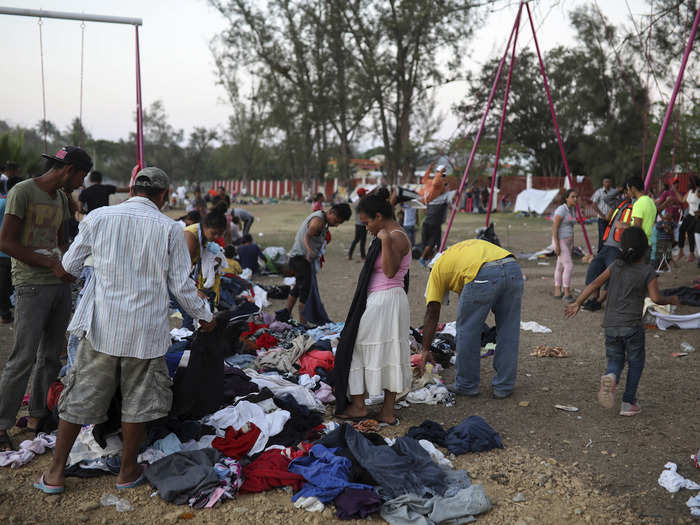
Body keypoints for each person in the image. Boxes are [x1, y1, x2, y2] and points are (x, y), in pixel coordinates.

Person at [35, 167, 214, 494]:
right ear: (163, 195)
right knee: (139, 401)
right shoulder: (171, 229)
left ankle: (55, 473)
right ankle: (127, 471)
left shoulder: (99, 217)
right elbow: (181, 287)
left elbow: (71, 268)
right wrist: (205, 316)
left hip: (102, 327)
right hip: (145, 332)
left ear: (132, 189)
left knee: (81, 396)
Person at [0, 146, 92, 451]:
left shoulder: (61, 198)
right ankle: (2, 423)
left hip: (59, 284)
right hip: (30, 284)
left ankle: (37, 416)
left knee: (52, 356)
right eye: (81, 177)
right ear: (71, 170)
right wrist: (51, 264)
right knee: (22, 357)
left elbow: (61, 241)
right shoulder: (23, 192)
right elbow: (6, 242)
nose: (81, 184)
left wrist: (67, 264)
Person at [565, 227, 679, 416]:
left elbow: (595, 283)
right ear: (645, 249)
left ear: (622, 248)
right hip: (632, 326)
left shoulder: (616, 265)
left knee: (615, 359)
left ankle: (611, 376)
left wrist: (577, 302)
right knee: (636, 362)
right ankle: (628, 403)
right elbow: (656, 298)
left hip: (610, 325)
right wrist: (672, 300)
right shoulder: (647, 271)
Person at [337, 192, 411, 425]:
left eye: (367, 222)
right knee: (389, 351)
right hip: (386, 299)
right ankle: (386, 411)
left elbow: (389, 271)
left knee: (356, 346)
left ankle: (360, 406)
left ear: (379, 217)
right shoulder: (390, 232)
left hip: (386, 299)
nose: (366, 228)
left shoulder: (395, 237)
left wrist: (385, 241)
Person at [421, 239, 522, 398]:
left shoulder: (437, 270)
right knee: (509, 330)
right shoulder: (458, 253)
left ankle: (466, 384)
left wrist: (425, 348)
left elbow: (432, 311)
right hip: (512, 267)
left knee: (467, 331)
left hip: (482, 272)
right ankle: (504, 386)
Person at [284, 203, 352, 323]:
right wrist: (309, 251)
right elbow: (306, 237)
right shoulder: (318, 222)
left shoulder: (322, 219)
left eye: (339, 223)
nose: (336, 225)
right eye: (336, 221)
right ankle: (302, 324)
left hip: (299, 258)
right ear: (331, 212)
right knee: (305, 293)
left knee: (298, 288)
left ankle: (286, 314)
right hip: (301, 259)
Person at [581, 185, 634, 311]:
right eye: (625, 192)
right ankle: (595, 298)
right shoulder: (620, 204)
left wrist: (624, 226)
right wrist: (619, 189)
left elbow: (636, 225)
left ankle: (599, 302)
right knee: (593, 271)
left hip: (618, 248)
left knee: (612, 276)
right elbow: (607, 198)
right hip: (606, 246)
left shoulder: (636, 206)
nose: (626, 194)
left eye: (628, 191)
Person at [183, 207, 228, 324]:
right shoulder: (191, 237)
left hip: (182, 278)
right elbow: (180, 270)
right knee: (191, 313)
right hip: (169, 276)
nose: (216, 237)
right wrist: (194, 291)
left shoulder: (203, 237)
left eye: (220, 234)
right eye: (214, 233)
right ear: (205, 226)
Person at [0, 176, 23, 323]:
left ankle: (5, 312)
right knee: (13, 285)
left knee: (3, 286)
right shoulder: (26, 204)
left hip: (3, 253)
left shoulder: (2, 202)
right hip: (17, 252)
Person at [419, 168, 452, 266]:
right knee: (431, 244)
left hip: (427, 221)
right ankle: (423, 258)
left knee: (431, 243)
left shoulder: (429, 195)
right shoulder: (444, 196)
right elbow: (452, 198)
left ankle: (429, 259)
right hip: (435, 223)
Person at [552, 189, 578, 302]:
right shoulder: (561, 210)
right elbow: (555, 228)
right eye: (573, 197)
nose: (575, 199)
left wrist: (572, 244)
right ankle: (566, 293)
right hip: (560, 240)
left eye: (576, 197)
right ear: (566, 198)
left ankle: (557, 290)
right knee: (569, 265)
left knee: (560, 266)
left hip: (568, 241)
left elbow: (571, 227)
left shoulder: (572, 210)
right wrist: (557, 245)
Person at [591, 177, 619, 252]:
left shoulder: (614, 192)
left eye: (609, 182)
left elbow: (617, 204)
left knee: (611, 236)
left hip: (611, 218)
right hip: (602, 218)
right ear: (603, 183)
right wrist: (602, 215)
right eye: (606, 182)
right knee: (602, 236)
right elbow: (593, 204)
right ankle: (600, 252)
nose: (607, 184)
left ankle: (609, 251)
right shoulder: (599, 192)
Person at [627, 176, 657, 245]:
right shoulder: (651, 201)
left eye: (628, 189)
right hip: (648, 242)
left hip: (640, 244)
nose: (628, 192)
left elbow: (637, 229)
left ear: (633, 189)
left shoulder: (639, 204)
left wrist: (624, 226)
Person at [655, 178, 683, 243]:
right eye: (674, 183)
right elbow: (659, 204)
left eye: (677, 183)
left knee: (675, 239)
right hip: (668, 218)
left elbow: (682, 201)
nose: (676, 184)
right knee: (667, 236)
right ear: (671, 184)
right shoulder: (666, 193)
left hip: (677, 218)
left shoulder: (680, 193)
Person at [677, 183, 698, 262]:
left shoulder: (698, 192)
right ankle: (681, 252)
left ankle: (692, 254)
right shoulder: (690, 191)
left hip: (696, 215)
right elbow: (682, 200)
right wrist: (675, 191)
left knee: (690, 232)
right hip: (690, 214)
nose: (688, 184)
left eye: (690, 182)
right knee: (681, 230)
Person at [348, 188, 368, 260]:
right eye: (365, 193)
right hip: (362, 224)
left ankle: (350, 254)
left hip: (358, 224)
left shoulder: (357, 201)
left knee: (356, 240)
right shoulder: (361, 203)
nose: (366, 194)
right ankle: (363, 256)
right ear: (363, 194)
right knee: (362, 240)